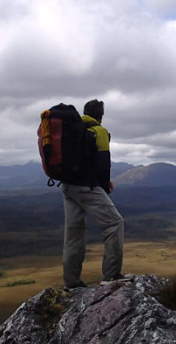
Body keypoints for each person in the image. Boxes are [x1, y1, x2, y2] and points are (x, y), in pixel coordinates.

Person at [61, 99, 126, 289]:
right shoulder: (99, 131)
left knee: (74, 234)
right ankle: (111, 275)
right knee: (115, 223)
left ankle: (71, 284)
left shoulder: (74, 130)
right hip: (86, 187)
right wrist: (104, 188)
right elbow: (103, 164)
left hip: (67, 186)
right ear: (101, 115)